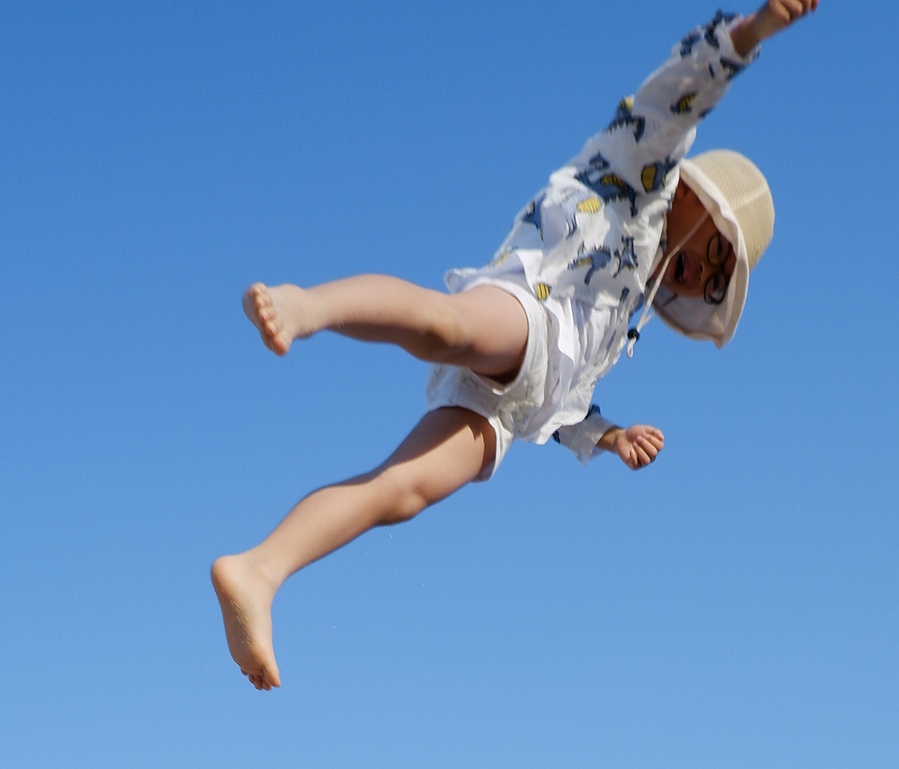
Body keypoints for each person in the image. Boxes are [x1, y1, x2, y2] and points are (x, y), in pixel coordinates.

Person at [210, 3, 816, 692]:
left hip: (515, 406)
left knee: (402, 490)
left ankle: (261, 568)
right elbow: (684, 87)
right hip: (530, 303)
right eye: (714, 251)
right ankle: (307, 303)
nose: (699, 273)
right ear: (695, 200)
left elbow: (568, 397)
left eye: (714, 278)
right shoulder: (640, 173)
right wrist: (752, 33)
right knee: (448, 326)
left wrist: (608, 436)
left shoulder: (628, 317)